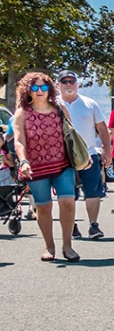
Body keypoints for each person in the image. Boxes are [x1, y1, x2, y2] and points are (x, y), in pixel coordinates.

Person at [10, 72, 80, 261]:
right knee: (43, 207)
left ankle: (68, 245)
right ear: (28, 90)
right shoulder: (22, 113)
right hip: (35, 168)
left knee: (67, 202)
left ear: (50, 88)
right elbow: (19, 141)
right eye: (34, 87)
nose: (39, 91)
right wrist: (23, 160)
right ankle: (50, 246)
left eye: (43, 87)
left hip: (63, 164)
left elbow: (71, 135)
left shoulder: (60, 109)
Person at [57, 70, 110, 240]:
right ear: (58, 85)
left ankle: (93, 225)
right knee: (67, 193)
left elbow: (102, 128)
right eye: (64, 82)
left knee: (93, 191)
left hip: (89, 154)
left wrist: (107, 151)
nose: (68, 84)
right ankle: (71, 225)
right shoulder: (53, 104)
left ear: (76, 84)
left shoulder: (90, 103)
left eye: (71, 81)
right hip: (63, 157)